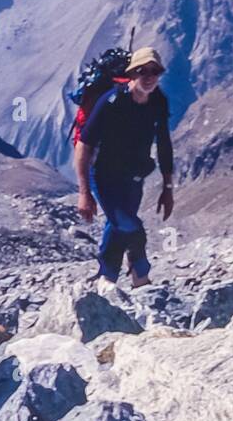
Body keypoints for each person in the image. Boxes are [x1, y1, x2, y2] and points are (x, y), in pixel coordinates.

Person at [74, 46, 174, 288]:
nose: (149, 77)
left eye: (155, 71)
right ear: (131, 74)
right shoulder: (112, 101)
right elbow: (83, 145)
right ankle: (142, 278)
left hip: (134, 178)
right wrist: (84, 193)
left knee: (117, 226)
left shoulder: (158, 101)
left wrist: (168, 188)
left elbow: (164, 145)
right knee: (132, 226)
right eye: (142, 71)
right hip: (105, 177)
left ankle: (106, 278)